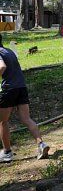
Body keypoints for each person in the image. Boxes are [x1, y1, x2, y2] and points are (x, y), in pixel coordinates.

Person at [0, 34, 50, 163]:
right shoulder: (9, 51)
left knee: (3, 122)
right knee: (26, 119)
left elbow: (2, 66)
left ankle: (7, 152)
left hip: (8, 90)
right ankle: (41, 144)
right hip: (21, 87)